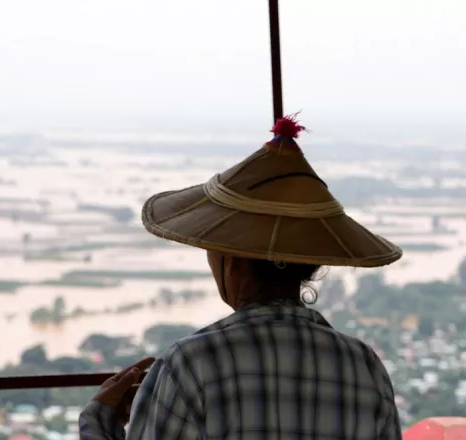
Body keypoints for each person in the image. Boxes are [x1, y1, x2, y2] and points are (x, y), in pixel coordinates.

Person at [79, 116, 404, 440]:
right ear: (309, 264)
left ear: (230, 262)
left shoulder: (191, 363)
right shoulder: (363, 365)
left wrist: (99, 419)